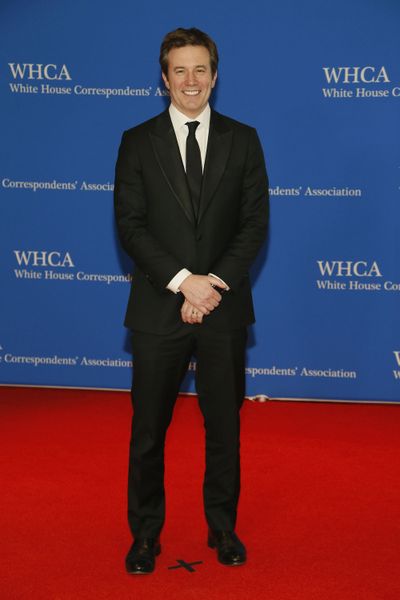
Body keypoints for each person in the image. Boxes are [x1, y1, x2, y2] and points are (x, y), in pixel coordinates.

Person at [114, 27, 269, 574]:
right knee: (148, 430)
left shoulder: (243, 139)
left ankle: (222, 528)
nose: (190, 80)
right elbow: (131, 227)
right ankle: (145, 536)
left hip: (223, 306)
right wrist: (184, 281)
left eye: (200, 69)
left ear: (215, 75)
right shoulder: (137, 141)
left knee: (224, 427)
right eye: (179, 70)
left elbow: (254, 226)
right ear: (164, 79)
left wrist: (210, 286)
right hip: (159, 307)